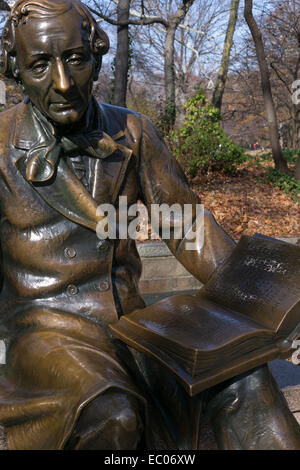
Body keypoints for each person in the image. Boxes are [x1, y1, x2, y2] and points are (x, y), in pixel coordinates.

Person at [0, 0, 299, 450]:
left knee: (244, 378)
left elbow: (187, 228)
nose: (62, 83)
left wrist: (265, 306)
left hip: (131, 324)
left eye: (76, 59)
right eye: (40, 65)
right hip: (43, 333)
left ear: (97, 57)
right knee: (108, 412)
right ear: (16, 69)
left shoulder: (133, 132)